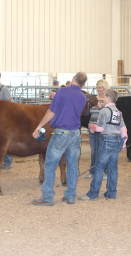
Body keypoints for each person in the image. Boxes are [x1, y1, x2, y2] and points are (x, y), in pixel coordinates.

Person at [31, 72, 88, 206]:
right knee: (73, 165)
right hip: (75, 133)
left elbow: (52, 111)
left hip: (61, 132)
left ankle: (47, 196)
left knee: (50, 164)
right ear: (83, 84)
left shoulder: (62, 91)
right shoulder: (83, 97)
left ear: (73, 79)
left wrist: (39, 126)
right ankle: (70, 196)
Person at [79, 89, 127, 201]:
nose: (102, 98)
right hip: (117, 141)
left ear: (109, 98)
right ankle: (111, 193)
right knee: (113, 168)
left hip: (107, 140)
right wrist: (123, 144)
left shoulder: (104, 111)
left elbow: (100, 128)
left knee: (99, 167)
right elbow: (123, 129)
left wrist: (92, 127)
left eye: (104, 97)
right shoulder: (118, 112)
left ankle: (93, 194)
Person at [86, 79, 109, 180]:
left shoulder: (108, 99)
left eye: (100, 87)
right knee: (94, 151)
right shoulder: (93, 99)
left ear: (105, 88)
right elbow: (88, 113)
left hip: (102, 129)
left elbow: (108, 114)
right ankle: (92, 171)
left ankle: (103, 172)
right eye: (97, 87)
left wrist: (100, 107)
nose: (99, 89)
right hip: (92, 128)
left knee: (101, 151)